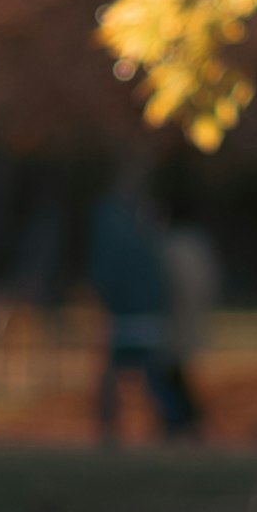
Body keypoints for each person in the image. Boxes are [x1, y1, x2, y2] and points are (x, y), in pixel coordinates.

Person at [86, 171, 199, 438]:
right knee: (151, 372)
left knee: (130, 372)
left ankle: (114, 425)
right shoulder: (144, 233)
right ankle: (175, 421)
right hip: (148, 312)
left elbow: (105, 276)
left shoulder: (115, 231)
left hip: (130, 313)